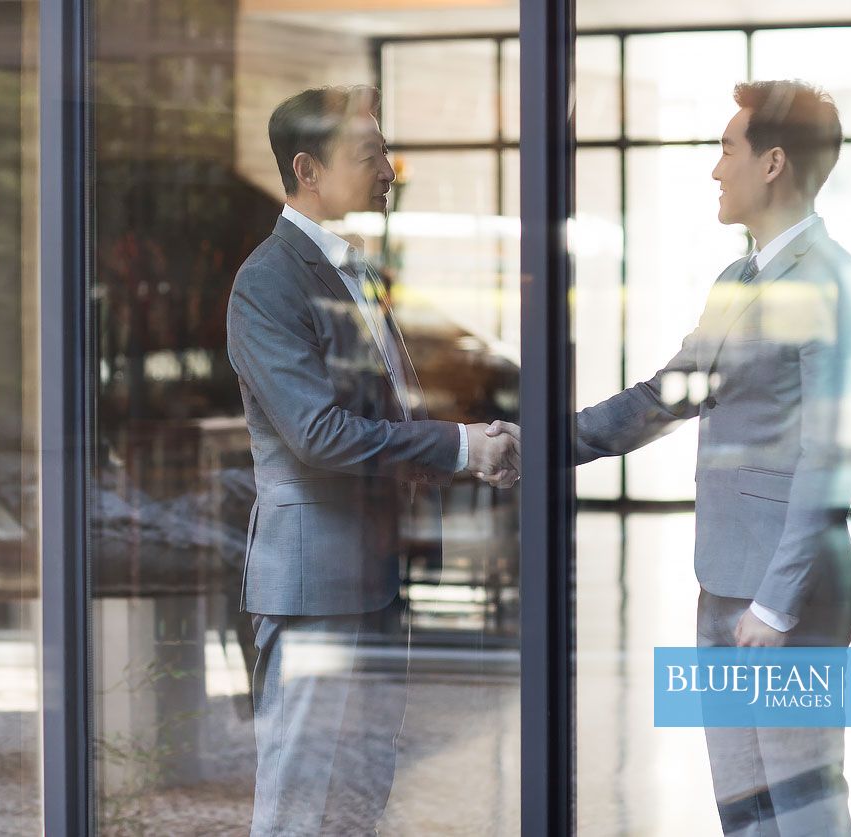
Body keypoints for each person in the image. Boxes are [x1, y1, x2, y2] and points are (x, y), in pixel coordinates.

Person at [491, 80, 851, 835]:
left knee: (805, 807)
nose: (713, 169)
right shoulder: (735, 280)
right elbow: (663, 396)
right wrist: (534, 446)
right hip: (721, 583)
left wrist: (773, 603)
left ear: (770, 164)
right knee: (744, 807)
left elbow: (830, 457)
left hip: (783, 598)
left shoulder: (832, 279)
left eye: (726, 149)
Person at [225, 85, 520, 836]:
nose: (389, 168)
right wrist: (456, 446)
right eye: (368, 154)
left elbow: (380, 408)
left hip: (371, 574)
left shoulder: (352, 269)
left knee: (359, 797)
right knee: (299, 806)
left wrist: (431, 451)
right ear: (307, 170)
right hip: (315, 585)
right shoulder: (269, 281)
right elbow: (320, 434)